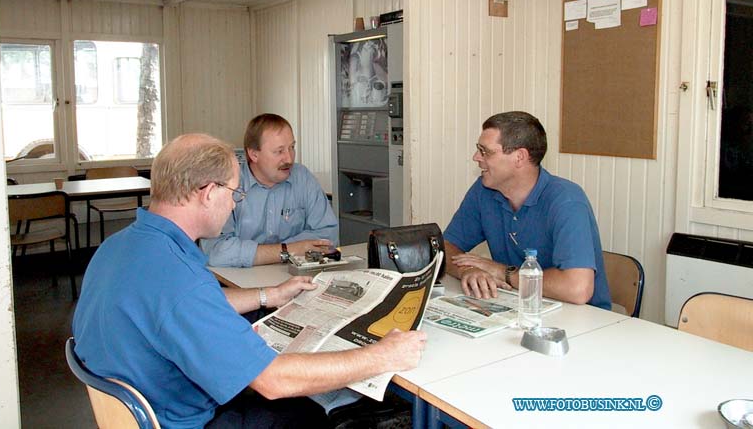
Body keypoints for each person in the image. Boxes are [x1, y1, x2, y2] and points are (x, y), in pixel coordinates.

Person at [72, 133, 426, 428]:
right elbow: (273, 381)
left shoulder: (120, 246)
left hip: (150, 400)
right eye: (234, 194)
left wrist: (269, 295)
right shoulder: (180, 280)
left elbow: (179, 309)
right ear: (208, 192)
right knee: (309, 411)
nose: (234, 205)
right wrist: (381, 355)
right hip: (185, 419)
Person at [443, 111, 611, 310]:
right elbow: (444, 247)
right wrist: (468, 270)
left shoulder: (567, 200)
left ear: (519, 157)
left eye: (485, 151)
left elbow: (577, 288)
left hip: (578, 320)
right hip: (516, 305)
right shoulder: (484, 190)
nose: (476, 157)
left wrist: (503, 272)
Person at [201, 113, 338, 267]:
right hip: (240, 281)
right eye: (279, 151)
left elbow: (329, 234)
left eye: (292, 147)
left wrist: (265, 254)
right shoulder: (227, 183)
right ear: (254, 154)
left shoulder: (302, 177)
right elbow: (216, 252)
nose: (289, 159)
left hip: (293, 275)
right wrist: (289, 250)